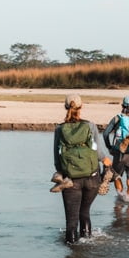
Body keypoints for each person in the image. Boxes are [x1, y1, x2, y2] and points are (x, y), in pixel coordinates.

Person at [51, 94, 112, 245]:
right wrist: (106, 161)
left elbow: (56, 158)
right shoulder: (90, 125)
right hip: (92, 178)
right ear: (81, 107)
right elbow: (97, 152)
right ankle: (87, 246)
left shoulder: (59, 129)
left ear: (66, 107)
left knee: (71, 222)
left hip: (71, 180)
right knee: (84, 213)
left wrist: (62, 172)